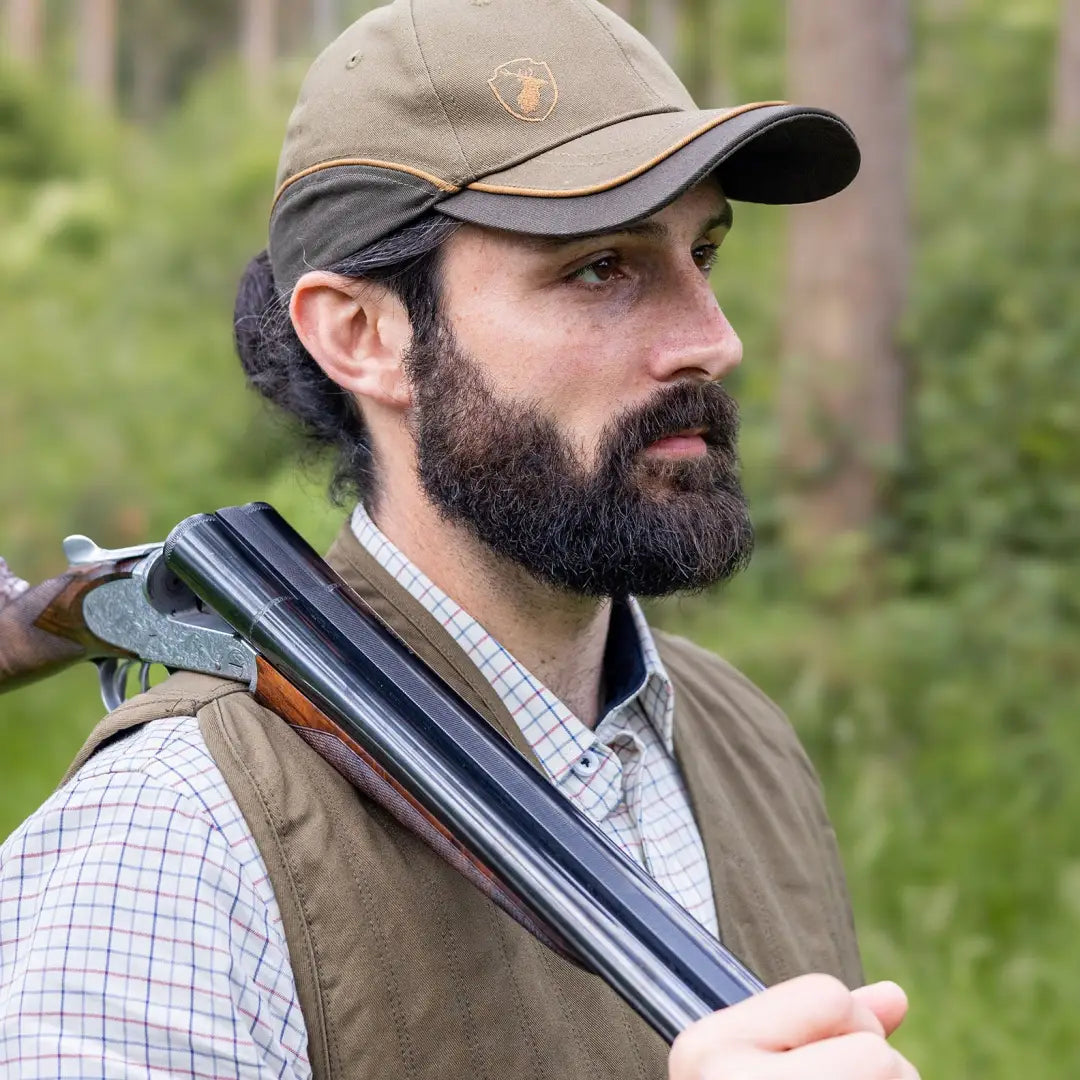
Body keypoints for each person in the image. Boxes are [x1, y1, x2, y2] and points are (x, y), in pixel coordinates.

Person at [0, 0, 920, 1077]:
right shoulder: (169, 837)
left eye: (701, 254)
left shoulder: (746, 741)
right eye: (600, 269)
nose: (714, 341)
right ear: (363, 335)